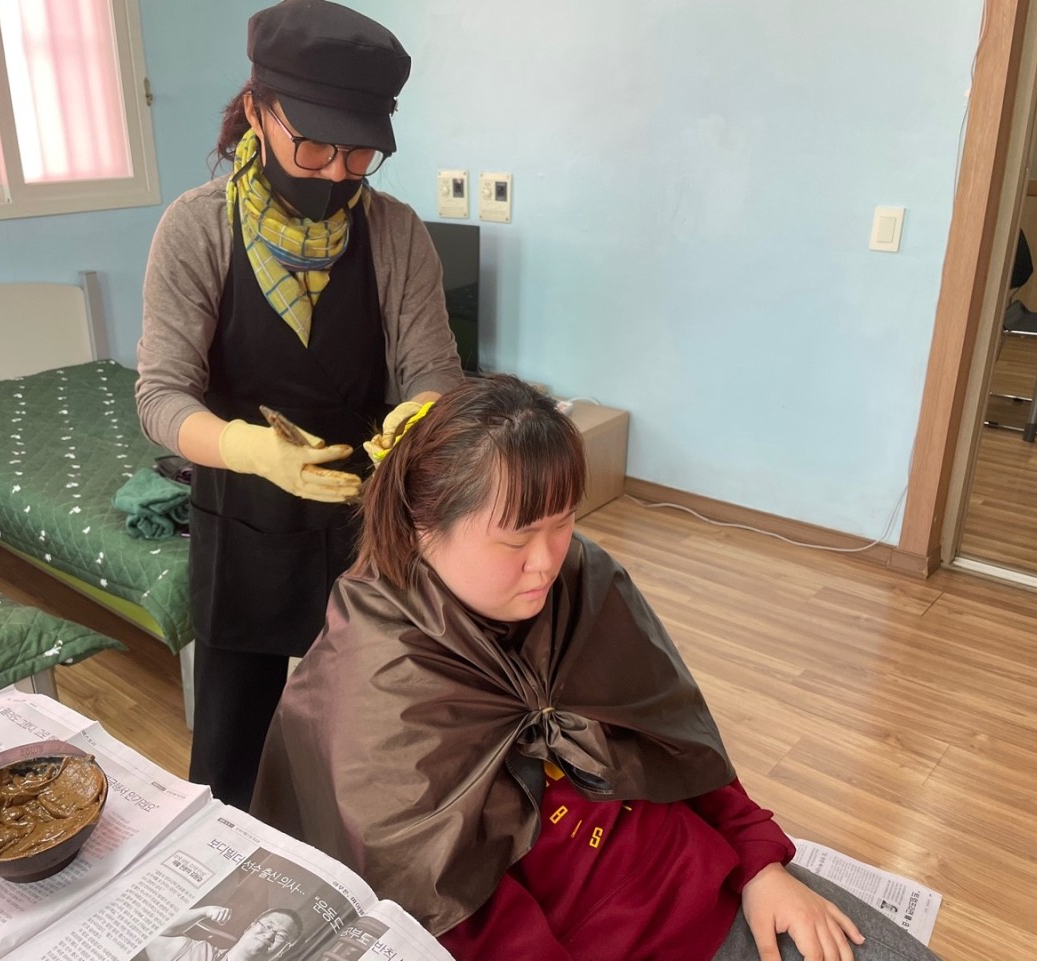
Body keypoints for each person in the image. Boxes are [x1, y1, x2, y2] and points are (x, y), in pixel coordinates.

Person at [250, 375, 945, 961]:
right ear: (422, 525)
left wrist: (760, 862)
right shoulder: (372, 687)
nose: (547, 561)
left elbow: (678, 742)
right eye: (517, 538)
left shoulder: (580, 579)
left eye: (563, 522)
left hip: (709, 879)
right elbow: (457, 916)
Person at [135, 0, 464, 808]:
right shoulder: (198, 229)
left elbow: (434, 371)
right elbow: (161, 394)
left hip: (368, 525)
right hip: (244, 525)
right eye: (313, 144)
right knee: (229, 767)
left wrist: (424, 411)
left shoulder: (396, 234)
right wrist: (248, 448)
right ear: (257, 109)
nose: (334, 172)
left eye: (358, 154)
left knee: (373, 752)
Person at [139, 905, 303, 961]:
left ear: (283, 951)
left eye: (281, 936)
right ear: (249, 927)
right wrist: (204, 911)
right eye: (267, 926)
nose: (269, 936)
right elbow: (155, 932)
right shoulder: (198, 953)